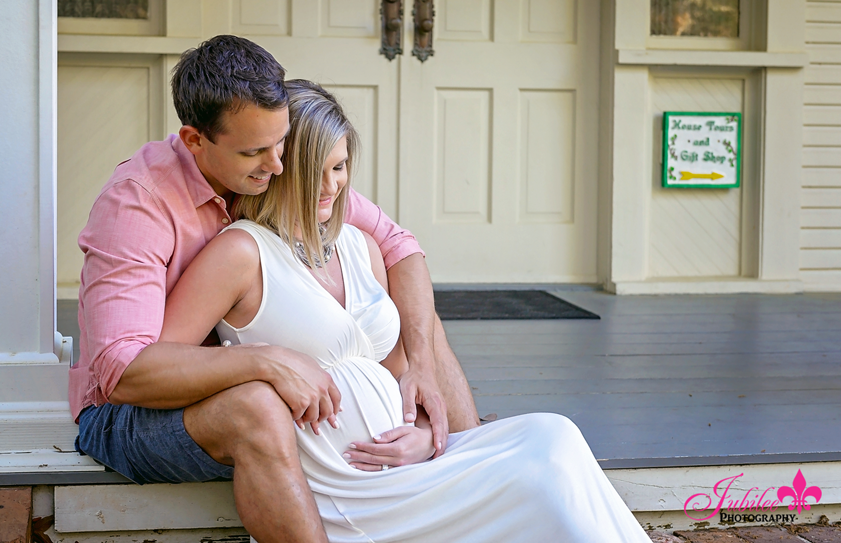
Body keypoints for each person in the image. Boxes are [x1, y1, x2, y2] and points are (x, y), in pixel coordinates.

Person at [157, 80, 651, 543]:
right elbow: (164, 362)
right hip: (348, 488)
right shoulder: (240, 253)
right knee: (537, 480)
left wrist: (419, 435)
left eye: (340, 166)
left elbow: (396, 370)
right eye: (316, 171)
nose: (331, 186)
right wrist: (259, 366)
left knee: (555, 433)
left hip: (410, 466)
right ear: (283, 167)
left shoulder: (358, 246)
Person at [70, 35, 479, 543]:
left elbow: (399, 248)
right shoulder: (138, 207)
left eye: (281, 141)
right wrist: (265, 361)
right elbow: (124, 376)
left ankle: (466, 467)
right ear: (195, 140)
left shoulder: (279, 175)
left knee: (418, 320)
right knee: (257, 405)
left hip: (239, 392)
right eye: (254, 151)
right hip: (132, 416)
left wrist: (420, 366)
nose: (279, 165)